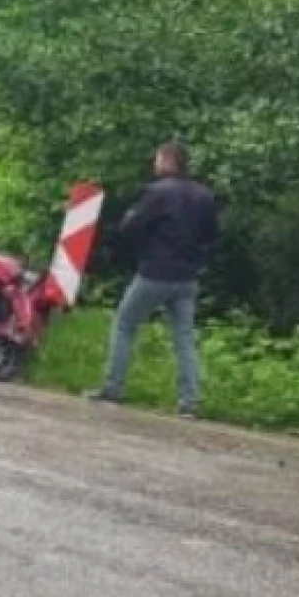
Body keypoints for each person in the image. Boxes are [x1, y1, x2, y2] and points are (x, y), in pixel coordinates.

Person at [86, 140, 219, 419]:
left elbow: (132, 226)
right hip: (188, 277)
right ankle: (189, 402)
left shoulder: (158, 192)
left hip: (155, 272)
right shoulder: (205, 196)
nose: (154, 163)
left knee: (125, 324)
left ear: (169, 160)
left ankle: (113, 388)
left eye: (158, 158)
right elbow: (211, 236)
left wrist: (129, 243)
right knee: (183, 337)